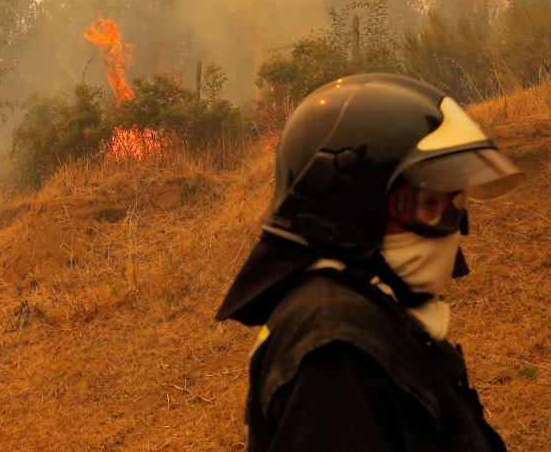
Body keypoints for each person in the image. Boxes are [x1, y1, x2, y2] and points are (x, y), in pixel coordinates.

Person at [217, 73, 524, 451]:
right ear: (354, 206)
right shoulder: (336, 353)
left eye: (454, 204)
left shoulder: (365, 312)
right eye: (429, 204)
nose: (452, 228)